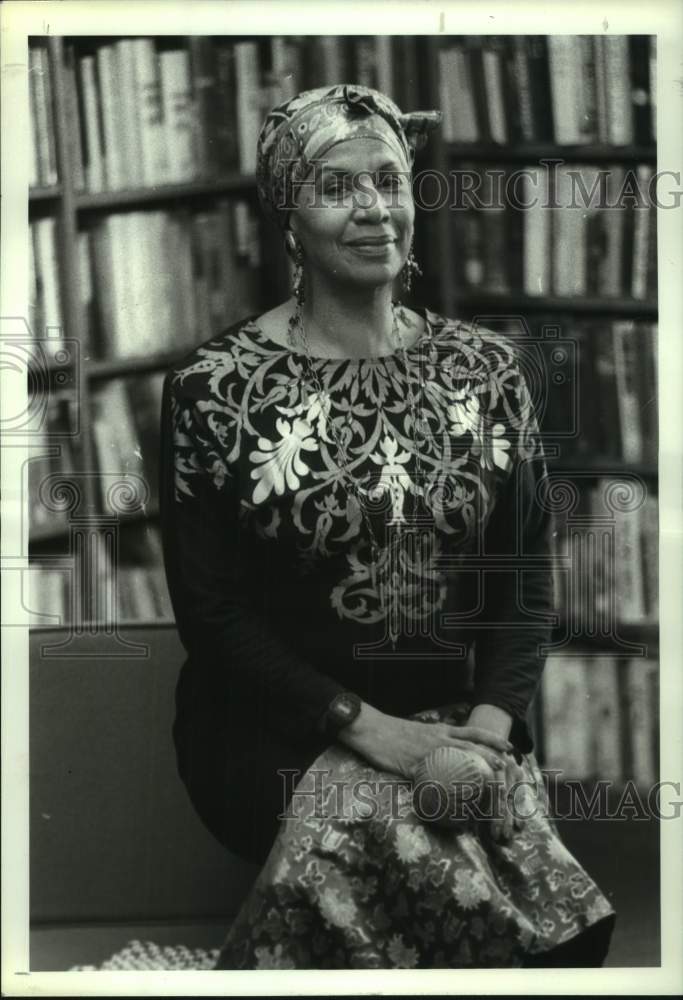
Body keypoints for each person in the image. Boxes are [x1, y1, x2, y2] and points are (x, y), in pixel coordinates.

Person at [159, 83, 616, 969]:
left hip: (457, 721)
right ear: (289, 217)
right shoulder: (212, 390)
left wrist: (488, 736)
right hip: (275, 734)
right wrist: (371, 730)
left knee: (560, 919)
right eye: (336, 187)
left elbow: (524, 584)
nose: (373, 208)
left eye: (389, 180)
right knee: (458, 881)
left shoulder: (488, 371)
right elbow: (213, 617)